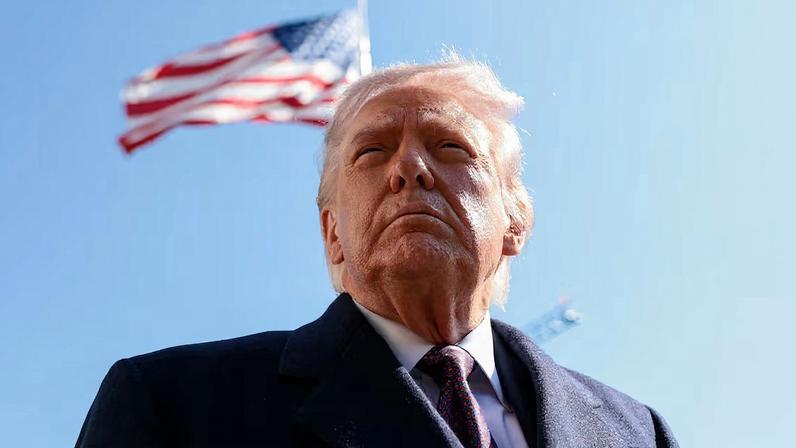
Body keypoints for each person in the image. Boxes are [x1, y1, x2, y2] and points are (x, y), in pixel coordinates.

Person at [76, 58, 679, 448]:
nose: (410, 169)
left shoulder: (637, 432)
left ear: (515, 221)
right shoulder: (172, 408)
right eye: (372, 153)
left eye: (450, 147)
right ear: (332, 232)